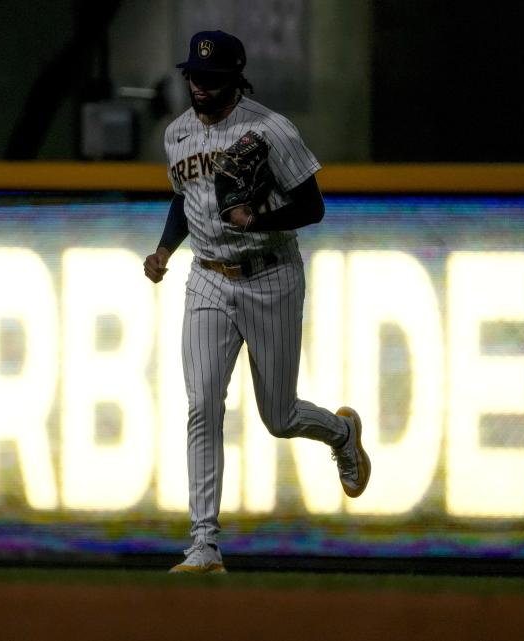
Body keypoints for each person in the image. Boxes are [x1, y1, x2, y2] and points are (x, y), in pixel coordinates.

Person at [143, 30, 370, 574]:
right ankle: (204, 545)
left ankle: (341, 433)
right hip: (207, 278)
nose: (200, 85)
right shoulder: (175, 135)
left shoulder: (270, 129)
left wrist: (260, 219)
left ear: (235, 78)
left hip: (270, 275)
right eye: (194, 75)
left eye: (212, 78)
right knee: (202, 404)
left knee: (279, 415)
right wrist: (164, 250)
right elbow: (186, 199)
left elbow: (313, 207)